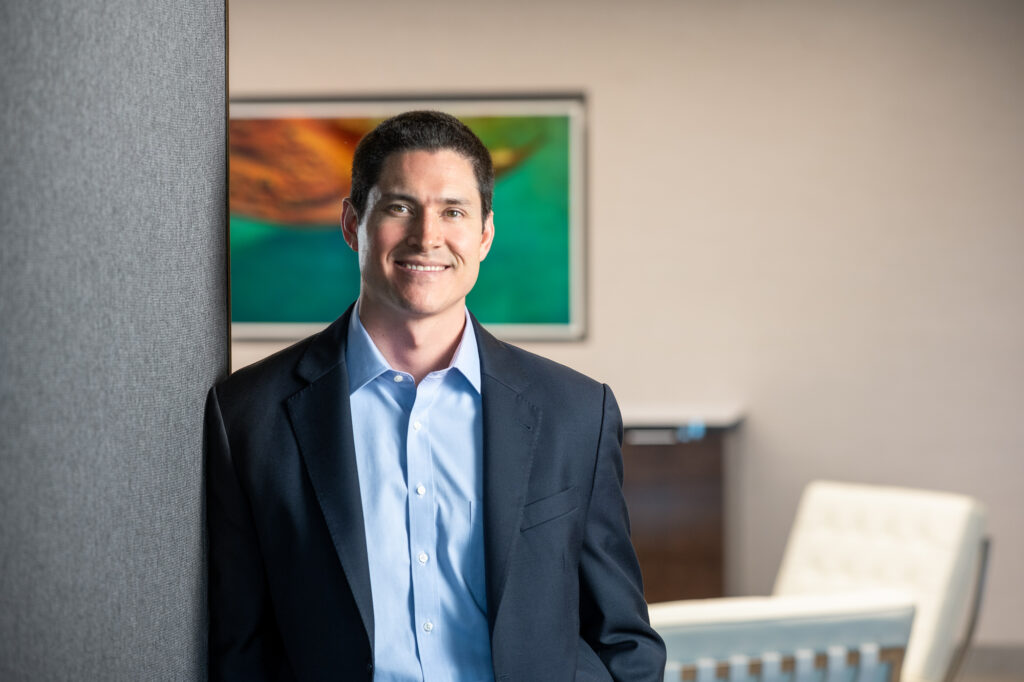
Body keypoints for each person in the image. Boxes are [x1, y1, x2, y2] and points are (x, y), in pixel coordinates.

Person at [206, 111, 666, 681]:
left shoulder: (576, 413)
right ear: (353, 224)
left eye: (453, 211)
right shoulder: (248, 416)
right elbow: (239, 645)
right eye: (400, 207)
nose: (428, 237)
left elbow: (622, 638)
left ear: (484, 234)